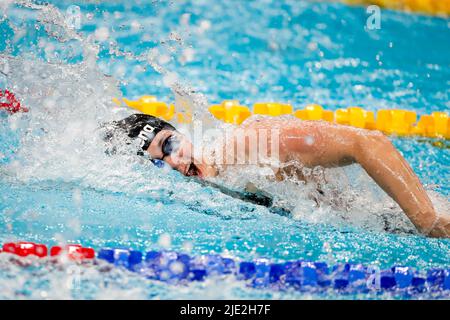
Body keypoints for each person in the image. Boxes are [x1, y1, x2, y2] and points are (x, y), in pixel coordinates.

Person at [103, 113, 450, 238]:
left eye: (170, 144)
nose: (175, 163)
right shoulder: (211, 183)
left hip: (415, 222)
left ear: (180, 131)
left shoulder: (243, 147)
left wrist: (427, 220)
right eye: (157, 163)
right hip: (378, 223)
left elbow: (368, 143)